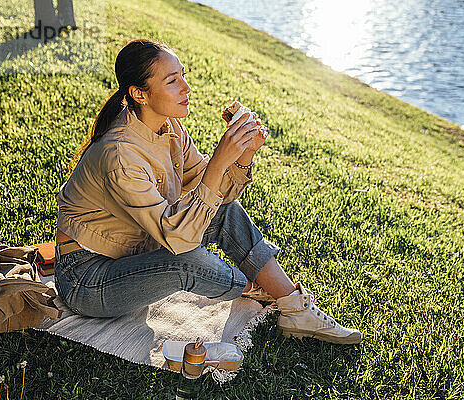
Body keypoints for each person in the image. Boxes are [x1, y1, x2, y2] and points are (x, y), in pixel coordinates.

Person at [54, 39, 362, 345]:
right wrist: (219, 161)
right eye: (173, 81)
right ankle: (260, 288)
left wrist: (243, 154)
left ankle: (294, 307)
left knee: (223, 212)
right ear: (139, 94)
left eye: (183, 75)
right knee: (186, 261)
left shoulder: (171, 126)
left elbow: (218, 197)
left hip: (138, 251)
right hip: (87, 279)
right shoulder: (120, 155)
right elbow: (179, 241)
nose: (186, 88)